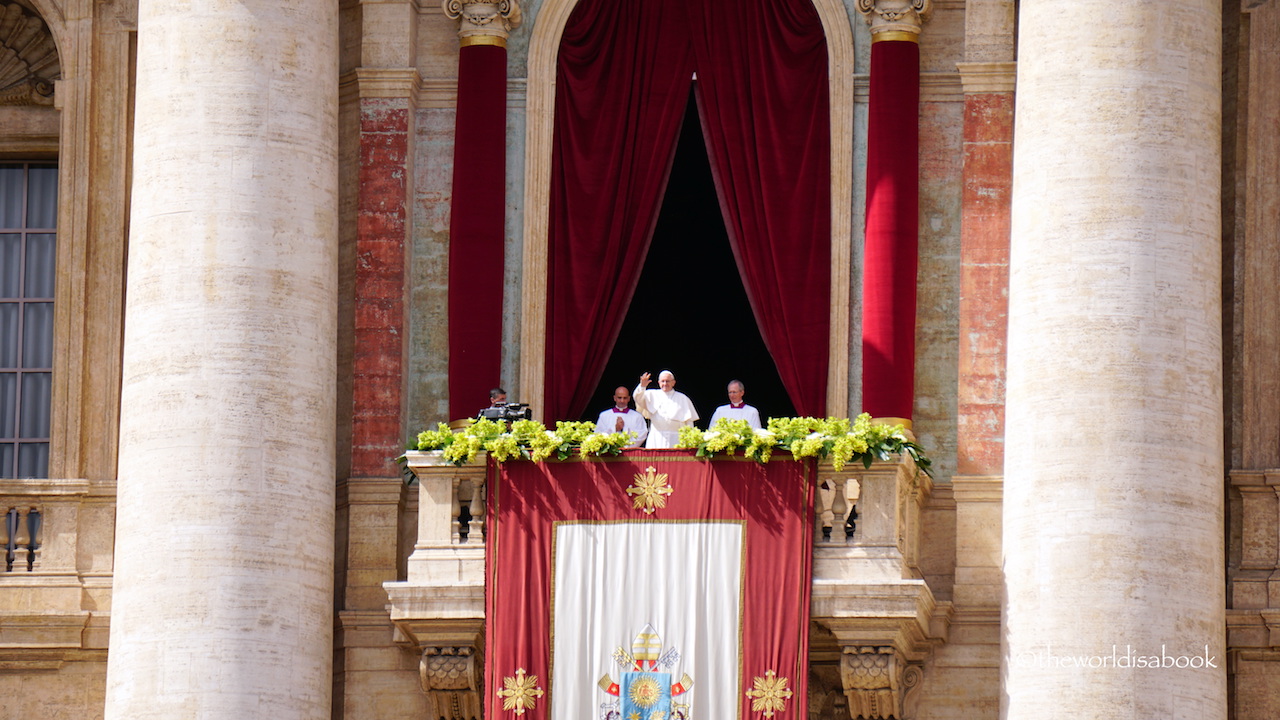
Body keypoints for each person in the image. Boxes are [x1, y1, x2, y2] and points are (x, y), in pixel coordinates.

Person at [633, 370, 699, 448]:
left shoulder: (682, 398)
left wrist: (689, 440)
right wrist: (642, 386)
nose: (665, 384)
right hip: (656, 437)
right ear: (659, 382)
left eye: (667, 381)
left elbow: (689, 421)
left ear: (673, 382)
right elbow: (637, 398)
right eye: (663, 381)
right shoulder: (651, 394)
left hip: (676, 438)